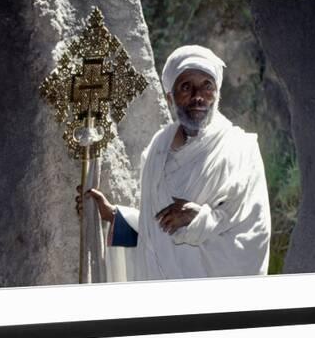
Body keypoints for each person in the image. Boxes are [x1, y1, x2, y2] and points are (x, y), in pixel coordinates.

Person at [76, 45, 271, 280]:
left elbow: (253, 233)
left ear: (217, 93)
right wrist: (115, 217)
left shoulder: (241, 149)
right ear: (170, 97)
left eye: (207, 85)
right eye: (186, 87)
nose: (198, 96)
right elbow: (155, 232)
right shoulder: (157, 150)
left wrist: (199, 219)